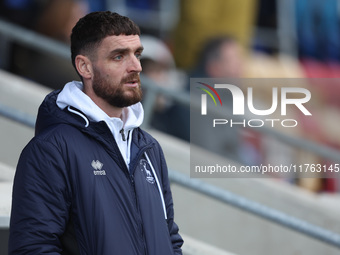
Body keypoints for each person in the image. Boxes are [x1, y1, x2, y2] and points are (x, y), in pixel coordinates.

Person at [8, 11, 183, 255]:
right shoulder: (51, 149)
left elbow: (170, 238)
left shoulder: (149, 148)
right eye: (119, 56)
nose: (136, 67)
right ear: (85, 67)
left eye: (137, 54)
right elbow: (33, 248)